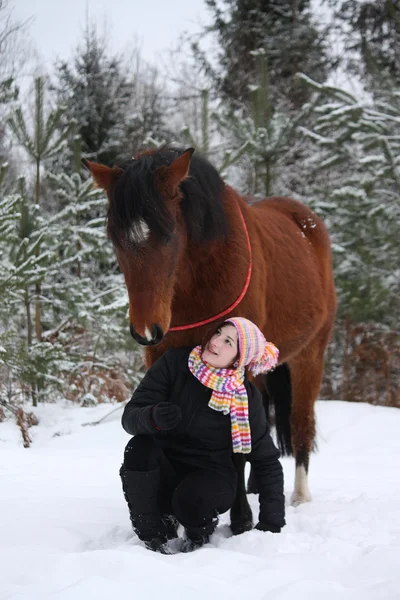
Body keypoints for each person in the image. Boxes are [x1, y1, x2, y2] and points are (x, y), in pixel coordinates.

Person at [119, 317, 285, 554]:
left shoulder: (245, 397)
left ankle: (198, 535)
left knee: (192, 499)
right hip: (165, 468)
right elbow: (130, 418)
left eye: (228, 341)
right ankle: (153, 535)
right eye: (218, 333)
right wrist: (152, 417)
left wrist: (272, 522)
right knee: (138, 448)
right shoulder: (175, 363)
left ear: (239, 359)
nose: (215, 342)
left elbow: (265, 459)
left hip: (211, 475)